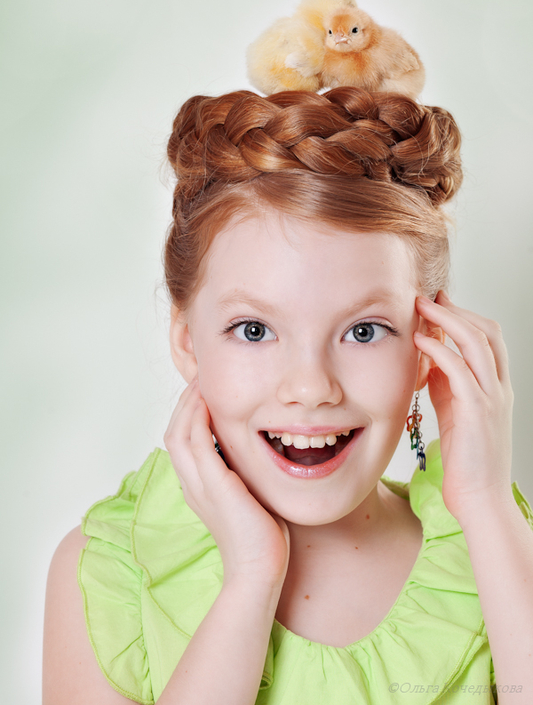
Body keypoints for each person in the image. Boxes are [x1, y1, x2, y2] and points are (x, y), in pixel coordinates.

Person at [43, 87, 533, 704]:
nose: (310, 388)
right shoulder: (108, 575)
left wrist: (485, 504)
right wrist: (251, 578)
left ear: (428, 345)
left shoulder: (496, 553)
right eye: (254, 330)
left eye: (364, 331)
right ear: (188, 341)